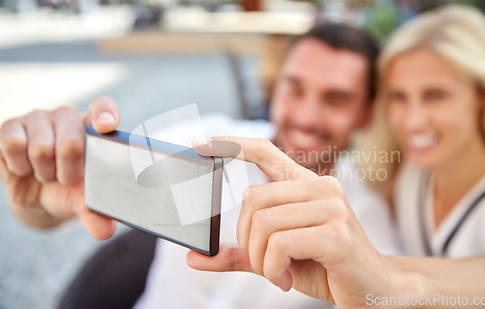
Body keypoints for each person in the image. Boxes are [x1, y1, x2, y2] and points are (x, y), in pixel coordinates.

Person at [0, 23, 401, 308]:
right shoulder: (206, 141)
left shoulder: (363, 218)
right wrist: (39, 192)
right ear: (275, 88)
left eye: (336, 99)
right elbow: (53, 212)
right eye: (294, 89)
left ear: (366, 115)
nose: (307, 116)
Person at [186, 4, 485, 308]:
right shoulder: (403, 170)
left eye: (436, 95)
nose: (413, 120)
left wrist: (388, 284)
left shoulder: (371, 201)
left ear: (484, 95)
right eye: (398, 96)